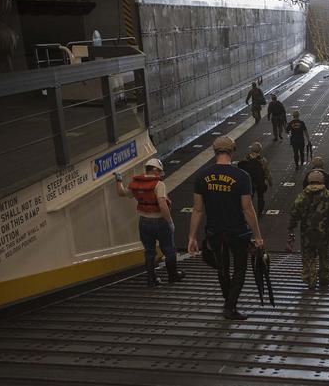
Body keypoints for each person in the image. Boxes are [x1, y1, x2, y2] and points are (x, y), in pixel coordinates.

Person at [188, 136, 265, 320]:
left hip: (215, 232)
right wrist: (258, 236)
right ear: (233, 150)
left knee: (222, 268)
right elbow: (247, 208)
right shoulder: (241, 176)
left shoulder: (202, 176)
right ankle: (230, 307)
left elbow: (197, 209)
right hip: (238, 232)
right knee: (240, 269)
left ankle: (228, 303)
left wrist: (192, 236)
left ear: (214, 151)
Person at [115, 158, 183, 287]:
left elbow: (121, 192)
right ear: (156, 170)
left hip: (144, 223)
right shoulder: (159, 184)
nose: (160, 174)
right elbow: (163, 205)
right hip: (159, 222)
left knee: (149, 251)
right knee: (169, 249)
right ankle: (173, 276)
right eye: (160, 171)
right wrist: (170, 222)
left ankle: (151, 280)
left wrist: (118, 180)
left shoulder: (136, 183)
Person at [288, 171, 329, 290]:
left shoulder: (302, 196)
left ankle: (310, 279)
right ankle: (324, 279)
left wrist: (291, 227)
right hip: (325, 233)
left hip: (307, 234)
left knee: (308, 257)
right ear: (322, 181)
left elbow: (294, 213)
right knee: (325, 257)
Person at [238, 141, 273, 217]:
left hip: (249, 182)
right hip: (260, 182)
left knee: (249, 197)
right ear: (260, 150)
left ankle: (247, 211)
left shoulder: (245, 159)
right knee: (260, 197)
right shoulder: (262, 160)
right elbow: (267, 172)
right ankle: (260, 212)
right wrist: (270, 182)